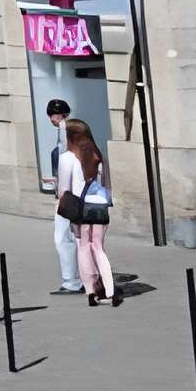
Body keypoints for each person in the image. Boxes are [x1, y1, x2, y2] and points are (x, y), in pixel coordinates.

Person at [64, 121, 119, 304]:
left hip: (79, 208)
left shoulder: (69, 158)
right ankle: (109, 291)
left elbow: (64, 189)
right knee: (98, 247)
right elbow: (107, 186)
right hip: (99, 206)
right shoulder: (99, 156)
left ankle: (91, 291)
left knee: (83, 246)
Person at [39, 100, 83, 294]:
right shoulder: (75, 133)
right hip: (74, 193)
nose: (53, 118)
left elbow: (67, 165)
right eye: (51, 114)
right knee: (77, 238)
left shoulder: (66, 135)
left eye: (55, 115)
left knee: (63, 238)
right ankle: (85, 278)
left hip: (68, 196)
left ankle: (72, 282)